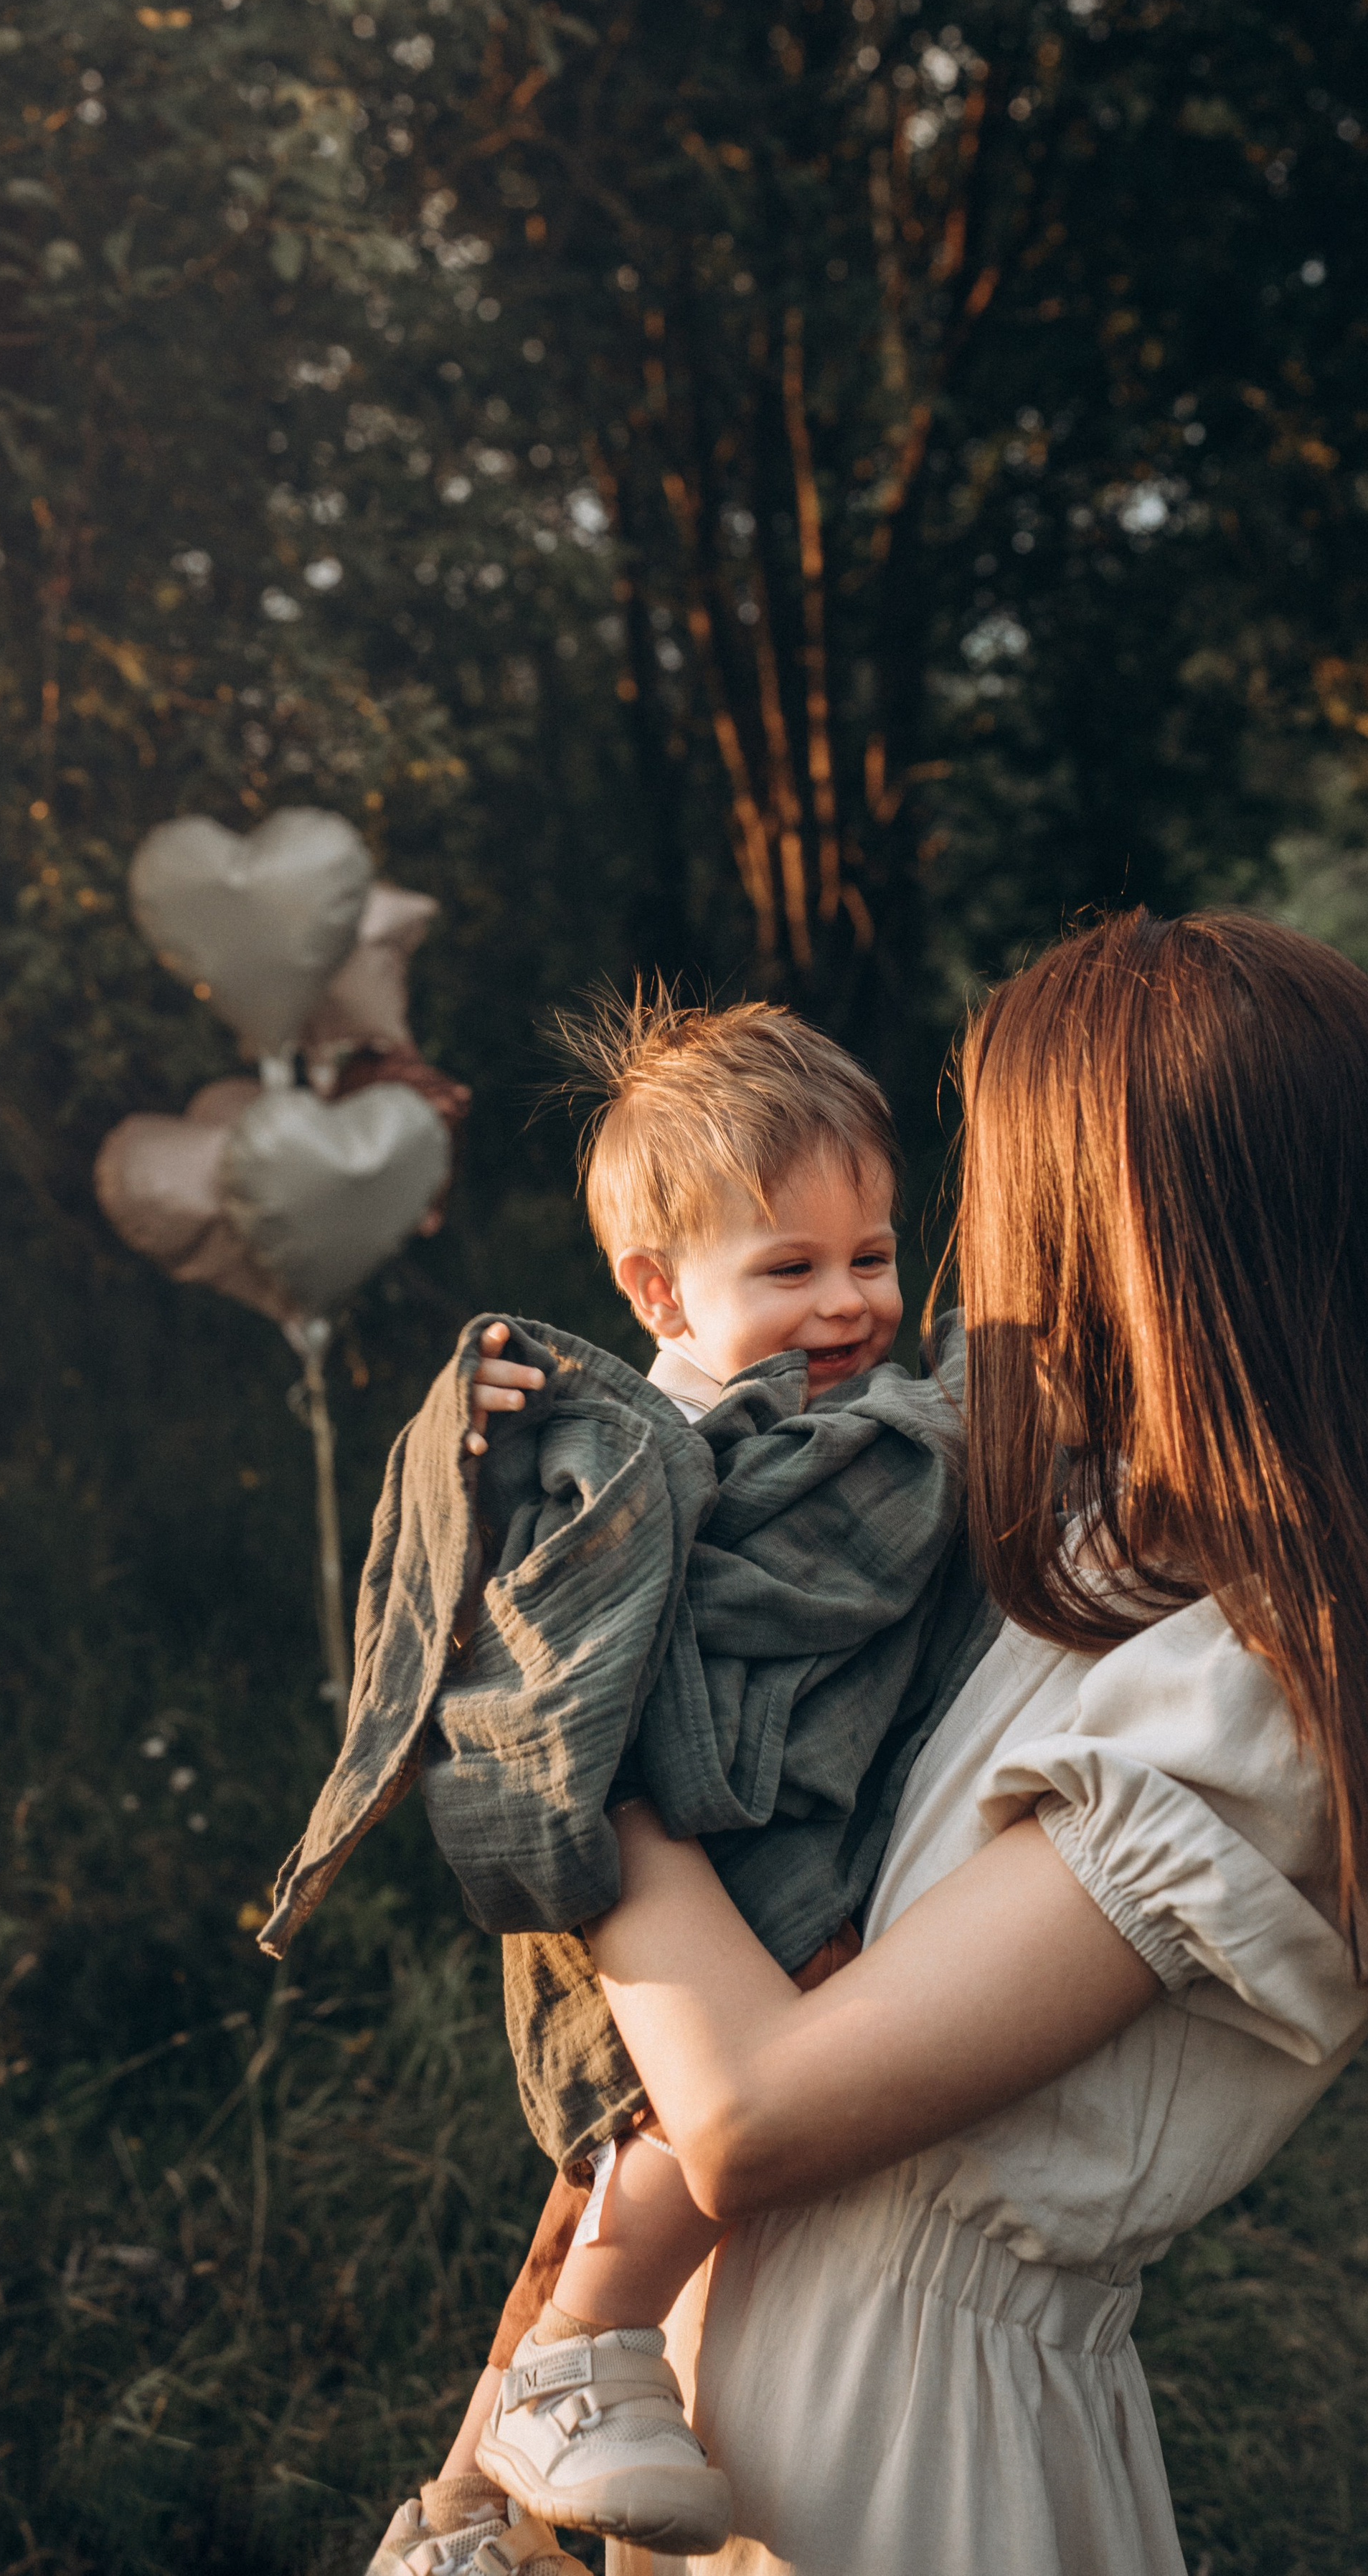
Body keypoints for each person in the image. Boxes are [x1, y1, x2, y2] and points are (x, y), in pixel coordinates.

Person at [565, 909, 1368, 2575]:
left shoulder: (1256, 1694)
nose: (975, 1255)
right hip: (731, 2385)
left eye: (1008, 1195)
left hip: (903, 2458)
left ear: (1138, 1246)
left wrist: (559, 1705)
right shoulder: (1100, 1542)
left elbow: (752, 2107)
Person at [324, 993, 993, 2576]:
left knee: (593, 2188)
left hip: (707, 1838)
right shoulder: (629, 1437)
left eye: (874, 1256)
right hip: (646, 1855)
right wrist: (469, 1440)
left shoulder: (838, 1417)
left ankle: (460, 2516)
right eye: (789, 1269)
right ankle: (580, 2362)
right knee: (685, 2121)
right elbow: (498, 1580)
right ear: (655, 1289)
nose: (847, 1304)